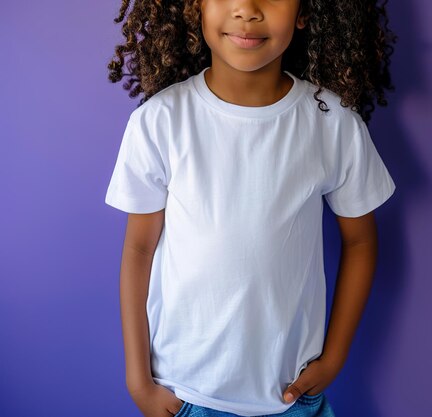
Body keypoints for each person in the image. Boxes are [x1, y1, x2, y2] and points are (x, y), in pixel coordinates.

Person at [104, 0, 397, 416]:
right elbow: (138, 250)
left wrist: (334, 357)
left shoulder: (332, 123)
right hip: (184, 395)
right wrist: (138, 379)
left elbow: (361, 242)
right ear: (195, 7)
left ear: (305, 11)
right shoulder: (161, 121)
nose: (247, 9)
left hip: (291, 397)